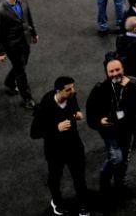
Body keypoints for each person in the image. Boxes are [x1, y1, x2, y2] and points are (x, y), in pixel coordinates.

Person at [85, 56, 136, 203]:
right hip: (110, 132)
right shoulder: (100, 88)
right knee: (116, 158)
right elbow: (91, 112)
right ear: (106, 73)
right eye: (111, 71)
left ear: (123, 69)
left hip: (127, 129)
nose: (115, 73)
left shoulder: (133, 82)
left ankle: (120, 184)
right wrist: (98, 121)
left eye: (117, 69)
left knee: (124, 159)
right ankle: (105, 186)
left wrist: (131, 87)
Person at [31, 75, 92, 216]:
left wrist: (77, 113)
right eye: (69, 89)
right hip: (55, 150)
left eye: (73, 87)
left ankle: (83, 204)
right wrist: (56, 128)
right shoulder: (45, 105)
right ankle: (57, 202)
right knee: (55, 177)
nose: (73, 91)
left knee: (79, 177)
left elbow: (74, 106)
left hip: (73, 145)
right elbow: (34, 133)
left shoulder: (71, 96)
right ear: (58, 91)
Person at [0, 0, 38, 109]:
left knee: (22, 64)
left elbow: (29, 18)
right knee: (21, 71)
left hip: (25, 40)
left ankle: (9, 82)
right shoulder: (0, 11)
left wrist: (34, 33)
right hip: (12, 46)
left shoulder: (23, 0)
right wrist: (0, 52)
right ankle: (27, 98)